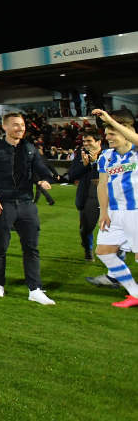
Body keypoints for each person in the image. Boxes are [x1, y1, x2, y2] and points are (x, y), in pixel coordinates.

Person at [0, 111, 58, 305]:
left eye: (22, 125)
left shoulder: (29, 148)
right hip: (2, 204)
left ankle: (35, 289)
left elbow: (42, 169)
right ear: (4, 127)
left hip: (26, 204)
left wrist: (46, 179)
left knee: (31, 248)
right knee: (0, 246)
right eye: (15, 125)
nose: (20, 128)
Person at [92, 109, 138, 308]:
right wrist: (104, 212)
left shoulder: (136, 151)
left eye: (112, 134)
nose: (107, 138)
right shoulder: (106, 157)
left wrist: (110, 120)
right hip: (114, 212)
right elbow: (102, 184)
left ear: (125, 131)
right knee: (104, 251)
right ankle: (135, 293)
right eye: (106, 134)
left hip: (136, 210)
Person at [67, 126, 102, 261]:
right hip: (87, 195)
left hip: (108, 195)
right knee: (86, 229)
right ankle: (88, 248)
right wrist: (86, 165)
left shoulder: (108, 153)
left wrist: (94, 163)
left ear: (98, 142)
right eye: (84, 141)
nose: (86, 144)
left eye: (89, 141)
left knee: (115, 227)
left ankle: (117, 254)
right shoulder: (81, 154)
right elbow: (72, 174)